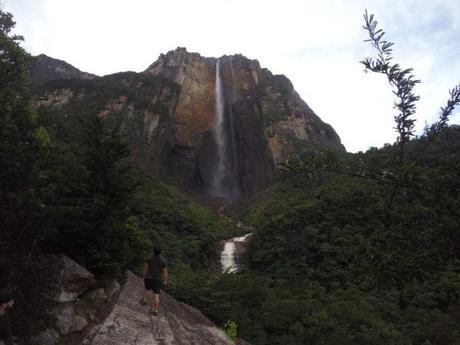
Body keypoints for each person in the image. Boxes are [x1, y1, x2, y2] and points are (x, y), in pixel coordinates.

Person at [142, 247, 168, 316]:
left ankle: (144, 301)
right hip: (158, 279)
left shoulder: (149, 258)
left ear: (153, 251)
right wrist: (165, 280)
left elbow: (146, 268)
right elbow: (165, 272)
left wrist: (144, 276)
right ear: (160, 252)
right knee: (156, 294)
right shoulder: (163, 261)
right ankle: (155, 311)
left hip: (149, 277)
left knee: (146, 289)